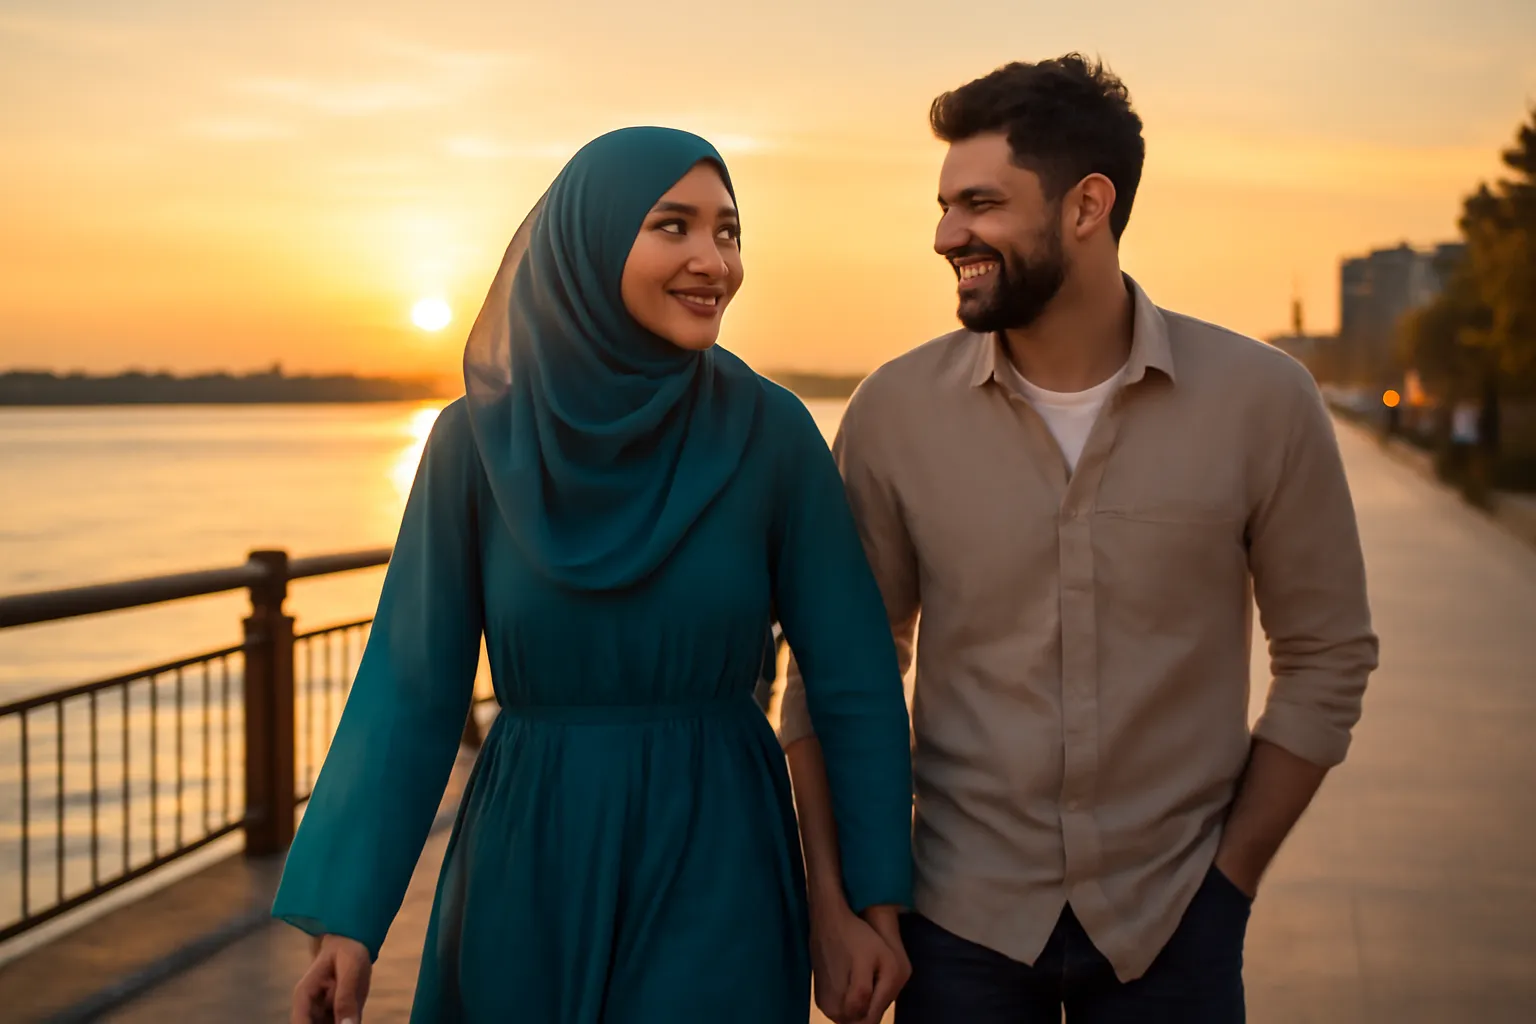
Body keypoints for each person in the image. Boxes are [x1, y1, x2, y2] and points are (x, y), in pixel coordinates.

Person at [780, 55, 1379, 1022]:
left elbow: (1328, 656)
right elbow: (836, 672)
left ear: (1086, 207)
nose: (946, 235)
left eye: (980, 203)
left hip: (1174, 927)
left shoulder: (1263, 402)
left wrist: (1228, 884)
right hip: (954, 927)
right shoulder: (894, 412)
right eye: (942, 206)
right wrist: (845, 904)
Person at [272, 127, 913, 1024]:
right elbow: (411, 687)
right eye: (672, 227)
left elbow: (853, 680)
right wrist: (348, 921)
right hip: (527, 854)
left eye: (728, 232)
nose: (712, 261)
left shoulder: (771, 434)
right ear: (590, 240)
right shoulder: (475, 443)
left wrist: (866, 905)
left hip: (719, 850)